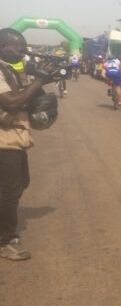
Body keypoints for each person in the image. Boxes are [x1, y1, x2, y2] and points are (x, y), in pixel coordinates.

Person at [0, 28, 57, 260]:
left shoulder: (12, 69)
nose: (23, 52)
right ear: (3, 46)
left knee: (21, 183)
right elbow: (12, 103)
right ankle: (6, 241)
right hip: (4, 138)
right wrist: (40, 81)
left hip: (15, 136)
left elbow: (22, 97)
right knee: (10, 189)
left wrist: (38, 85)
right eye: (18, 48)